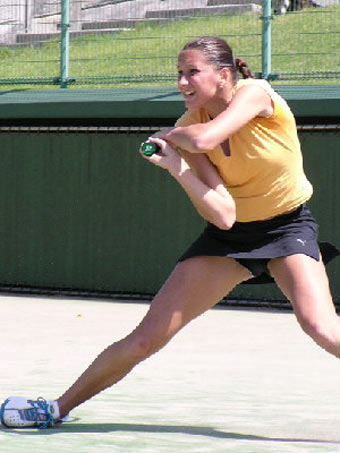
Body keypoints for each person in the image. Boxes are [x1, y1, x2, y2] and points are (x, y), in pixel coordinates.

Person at [1, 35, 339, 429]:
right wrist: (176, 167)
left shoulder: (255, 94)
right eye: (179, 73)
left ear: (223, 74)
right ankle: (56, 408)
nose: (181, 82)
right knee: (147, 337)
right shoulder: (187, 125)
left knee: (320, 326)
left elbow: (205, 139)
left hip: (288, 226)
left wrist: (170, 136)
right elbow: (224, 214)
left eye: (192, 72)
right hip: (230, 238)